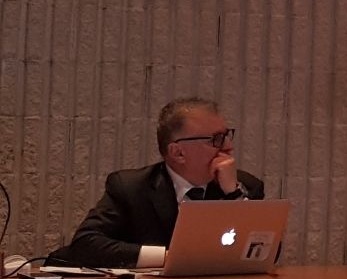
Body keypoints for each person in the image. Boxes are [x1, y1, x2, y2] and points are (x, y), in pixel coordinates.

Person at [49, 98, 264, 269]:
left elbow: (265, 251)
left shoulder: (245, 186)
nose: (228, 147)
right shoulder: (131, 187)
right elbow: (87, 243)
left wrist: (233, 194)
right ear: (178, 152)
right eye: (216, 139)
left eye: (227, 136)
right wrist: (168, 257)